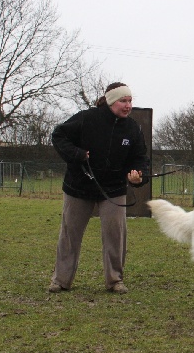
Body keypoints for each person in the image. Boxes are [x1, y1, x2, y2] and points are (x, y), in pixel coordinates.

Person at [48, 82, 149, 294]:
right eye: (123, 101)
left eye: (130, 101)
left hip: (113, 190)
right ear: (112, 101)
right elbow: (59, 135)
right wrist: (76, 154)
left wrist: (137, 175)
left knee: (115, 235)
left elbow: (139, 159)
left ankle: (115, 280)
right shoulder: (86, 118)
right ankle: (61, 280)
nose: (128, 105)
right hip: (79, 186)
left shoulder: (132, 128)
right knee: (70, 235)